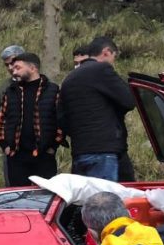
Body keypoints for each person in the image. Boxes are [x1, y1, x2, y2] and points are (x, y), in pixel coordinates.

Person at [58, 37, 136, 182]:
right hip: (103, 151)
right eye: (114, 57)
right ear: (106, 52)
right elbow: (129, 100)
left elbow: (61, 117)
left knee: (87, 202)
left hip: (79, 151)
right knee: (104, 200)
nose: (113, 62)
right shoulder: (102, 70)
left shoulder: (69, 78)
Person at [0, 53, 62, 187]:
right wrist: (4, 145)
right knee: (17, 198)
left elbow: (61, 120)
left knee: (44, 198)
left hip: (44, 156)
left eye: (18, 68)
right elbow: (0, 120)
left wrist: (53, 146)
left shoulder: (52, 90)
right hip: (16, 157)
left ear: (32, 68)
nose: (14, 72)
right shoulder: (11, 91)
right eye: (13, 69)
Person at [0, 45, 24, 118]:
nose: (10, 68)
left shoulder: (37, 82)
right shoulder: (3, 87)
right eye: (7, 65)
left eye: (12, 63)